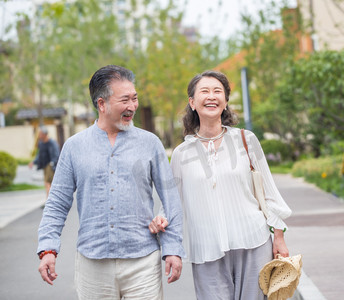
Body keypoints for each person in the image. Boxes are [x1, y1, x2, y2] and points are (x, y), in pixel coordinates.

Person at [37, 65, 185, 299]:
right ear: (101, 104)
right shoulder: (75, 147)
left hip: (142, 262)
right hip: (92, 264)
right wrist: (48, 248)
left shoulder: (150, 143)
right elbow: (56, 203)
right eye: (124, 100)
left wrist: (173, 249)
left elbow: (171, 199)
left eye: (134, 98)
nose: (132, 106)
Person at [149, 70, 292, 299]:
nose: (211, 96)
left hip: (253, 242)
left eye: (218, 91)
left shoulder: (246, 140)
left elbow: (269, 193)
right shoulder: (181, 154)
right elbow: (172, 203)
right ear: (192, 102)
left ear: (225, 102)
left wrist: (279, 237)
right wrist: (162, 222)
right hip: (206, 248)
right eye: (204, 91)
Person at [28, 126, 60, 198]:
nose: (39, 135)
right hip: (45, 166)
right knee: (48, 183)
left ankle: (49, 201)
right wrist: (33, 162)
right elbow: (39, 155)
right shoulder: (41, 143)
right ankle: (49, 200)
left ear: (45, 134)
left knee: (48, 183)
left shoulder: (52, 143)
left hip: (50, 165)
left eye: (40, 134)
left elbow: (56, 154)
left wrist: (53, 163)